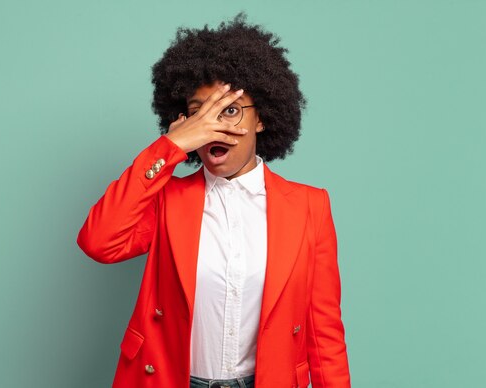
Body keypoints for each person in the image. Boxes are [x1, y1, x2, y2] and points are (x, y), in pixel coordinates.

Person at [76, 12, 350, 388]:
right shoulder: (165, 199)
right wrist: (169, 147)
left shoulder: (309, 207)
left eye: (231, 110)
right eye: (198, 115)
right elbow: (99, 241)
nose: (214, 126)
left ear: (262, 118)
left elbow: (324, 333)